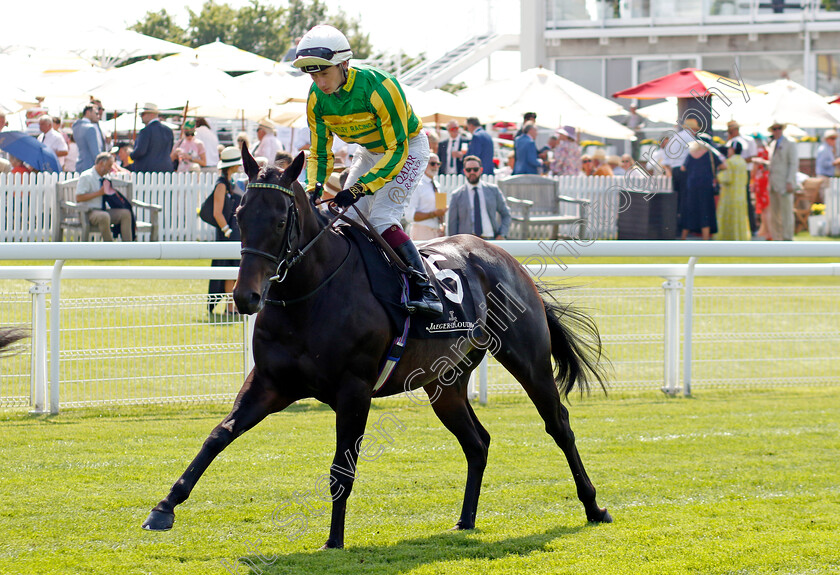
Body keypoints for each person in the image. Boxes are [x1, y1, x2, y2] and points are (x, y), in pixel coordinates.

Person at [293, 24, 442, 317]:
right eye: (313, 74)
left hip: (407, 148)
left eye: (324, 73)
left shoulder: (380, 87)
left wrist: (360, 188)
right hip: (369, 150)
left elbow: (396, 150)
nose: (319, 82)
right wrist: (314, 186)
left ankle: (426, 289)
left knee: (382, 217)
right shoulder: (316, 99)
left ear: (344, 64)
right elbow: (319, 151)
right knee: (345, 219)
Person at [208, 146, 245, 316]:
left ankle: (233, 307)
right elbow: (217, 212)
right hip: (227, 235)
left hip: (233, 233)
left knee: (236, 270)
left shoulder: (230, 182)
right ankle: (230, 308)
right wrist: (228, 231)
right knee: (228, 271)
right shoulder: (221, 185)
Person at [447, 155, 511, 239]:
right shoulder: (457, 195)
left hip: (491, 240)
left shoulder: (493, 190)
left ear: (481, 170)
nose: (472, 172)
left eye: (475, 169)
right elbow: (452, 224)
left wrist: (502, 234)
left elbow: (506, 214)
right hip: (467, 243)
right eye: (468, 170)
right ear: (464, 171)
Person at [74, 152, 133, 242]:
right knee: (104, 216)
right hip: (88, 212)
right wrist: (99, 193)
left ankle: (128, 247)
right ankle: (110, 248)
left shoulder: (104, 178)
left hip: (102, 210)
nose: (110, 169)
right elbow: (79, 198)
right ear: (101, 163)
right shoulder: (87, 176)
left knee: (125, 214)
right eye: (109, 166)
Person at [679, 137, 719, 240]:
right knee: (705, 211)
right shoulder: (709, 154)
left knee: (690, 211)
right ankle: (705, 239)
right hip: (706, 187)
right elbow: (723, 165)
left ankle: (683, 237)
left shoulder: (690, 154)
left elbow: (683, 168)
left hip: (692, 187)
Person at [765, 121, 798, 241]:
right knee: (774, 213)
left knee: (786, 212)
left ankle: (788, 237)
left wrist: (790, 181)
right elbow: (773, 163)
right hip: (773, 183)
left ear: (782, 129)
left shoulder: (790, 143)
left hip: (785, 183)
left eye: (779, 128)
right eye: (774, 129)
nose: (777, 130)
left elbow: (793, 164)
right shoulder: (772, 144)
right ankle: (777, 238)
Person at [725, 120, 757, 235]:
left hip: (744, 171)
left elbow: (752, 156)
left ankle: (752, 227)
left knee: (746, 198)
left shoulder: (748, 140)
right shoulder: (730, 142)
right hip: (732, 171)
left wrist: (738, 161)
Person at [714, 141, 751, 241]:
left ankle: (728, 237)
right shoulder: (743, 161)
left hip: (730, 194)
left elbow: (727, 178)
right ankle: (740, 237)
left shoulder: (730, 162)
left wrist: (718, 175)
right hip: (741, 194)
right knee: (740, 217)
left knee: (728, 217)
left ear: (732, 149)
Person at [405, 153, 446, 240]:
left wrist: (443, 226)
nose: (435, 166)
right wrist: (433, 214)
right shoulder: (417, 185)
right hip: (421, 232)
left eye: (438, 164)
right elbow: (410, 216)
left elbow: (441, 210)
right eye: (432, 163)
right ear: (424, 164)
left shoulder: (438, 185)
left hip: (437, 233)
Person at [130, 103, 174, 173]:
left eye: (143, 114)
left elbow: (140, 151)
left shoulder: (146, 131)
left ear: (152, 114)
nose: (141, 116)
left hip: (148, 170)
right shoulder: (168, 130)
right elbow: (170, 149)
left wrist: (131, 154)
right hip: (166, 169)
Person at [72, 103, 105, 173]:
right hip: (90, 166)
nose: (98, 116)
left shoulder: (76, 126)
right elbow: (95, 153)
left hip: (80, 165)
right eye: (96, 113)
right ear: (88, 112)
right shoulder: (90, 128)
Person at [751, 134, 770, 239]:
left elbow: (754, 170)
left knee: (764, 208)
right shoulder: (767, 151)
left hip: (761, 181)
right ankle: (765, 229)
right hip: (766, 180)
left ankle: (766, 230)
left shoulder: (758, 153)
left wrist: (751, 180)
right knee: (766, 208)